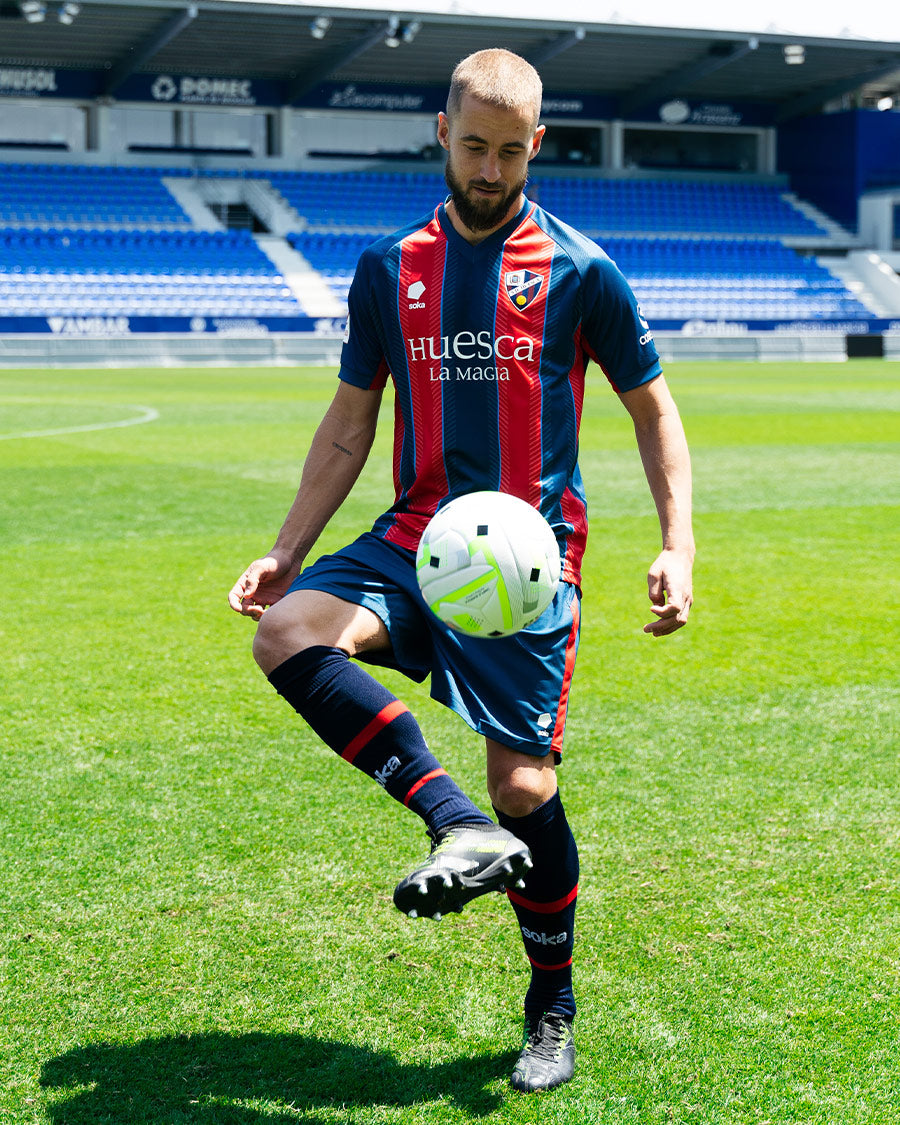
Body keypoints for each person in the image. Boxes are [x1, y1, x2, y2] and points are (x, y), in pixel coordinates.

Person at [228, 48, 694, 1094]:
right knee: (287, 632)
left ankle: (552, 1001)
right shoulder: (389, 268)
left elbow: (652, 410)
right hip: (418, 533)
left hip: (528, 556)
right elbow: (351, 425)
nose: (490, 169)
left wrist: (679, 543)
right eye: (475, 146)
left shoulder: (582, 269)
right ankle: (456, 828)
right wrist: (287, 550)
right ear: (443, 134)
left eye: (512, 151)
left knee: (527, 788)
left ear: (539, 145)